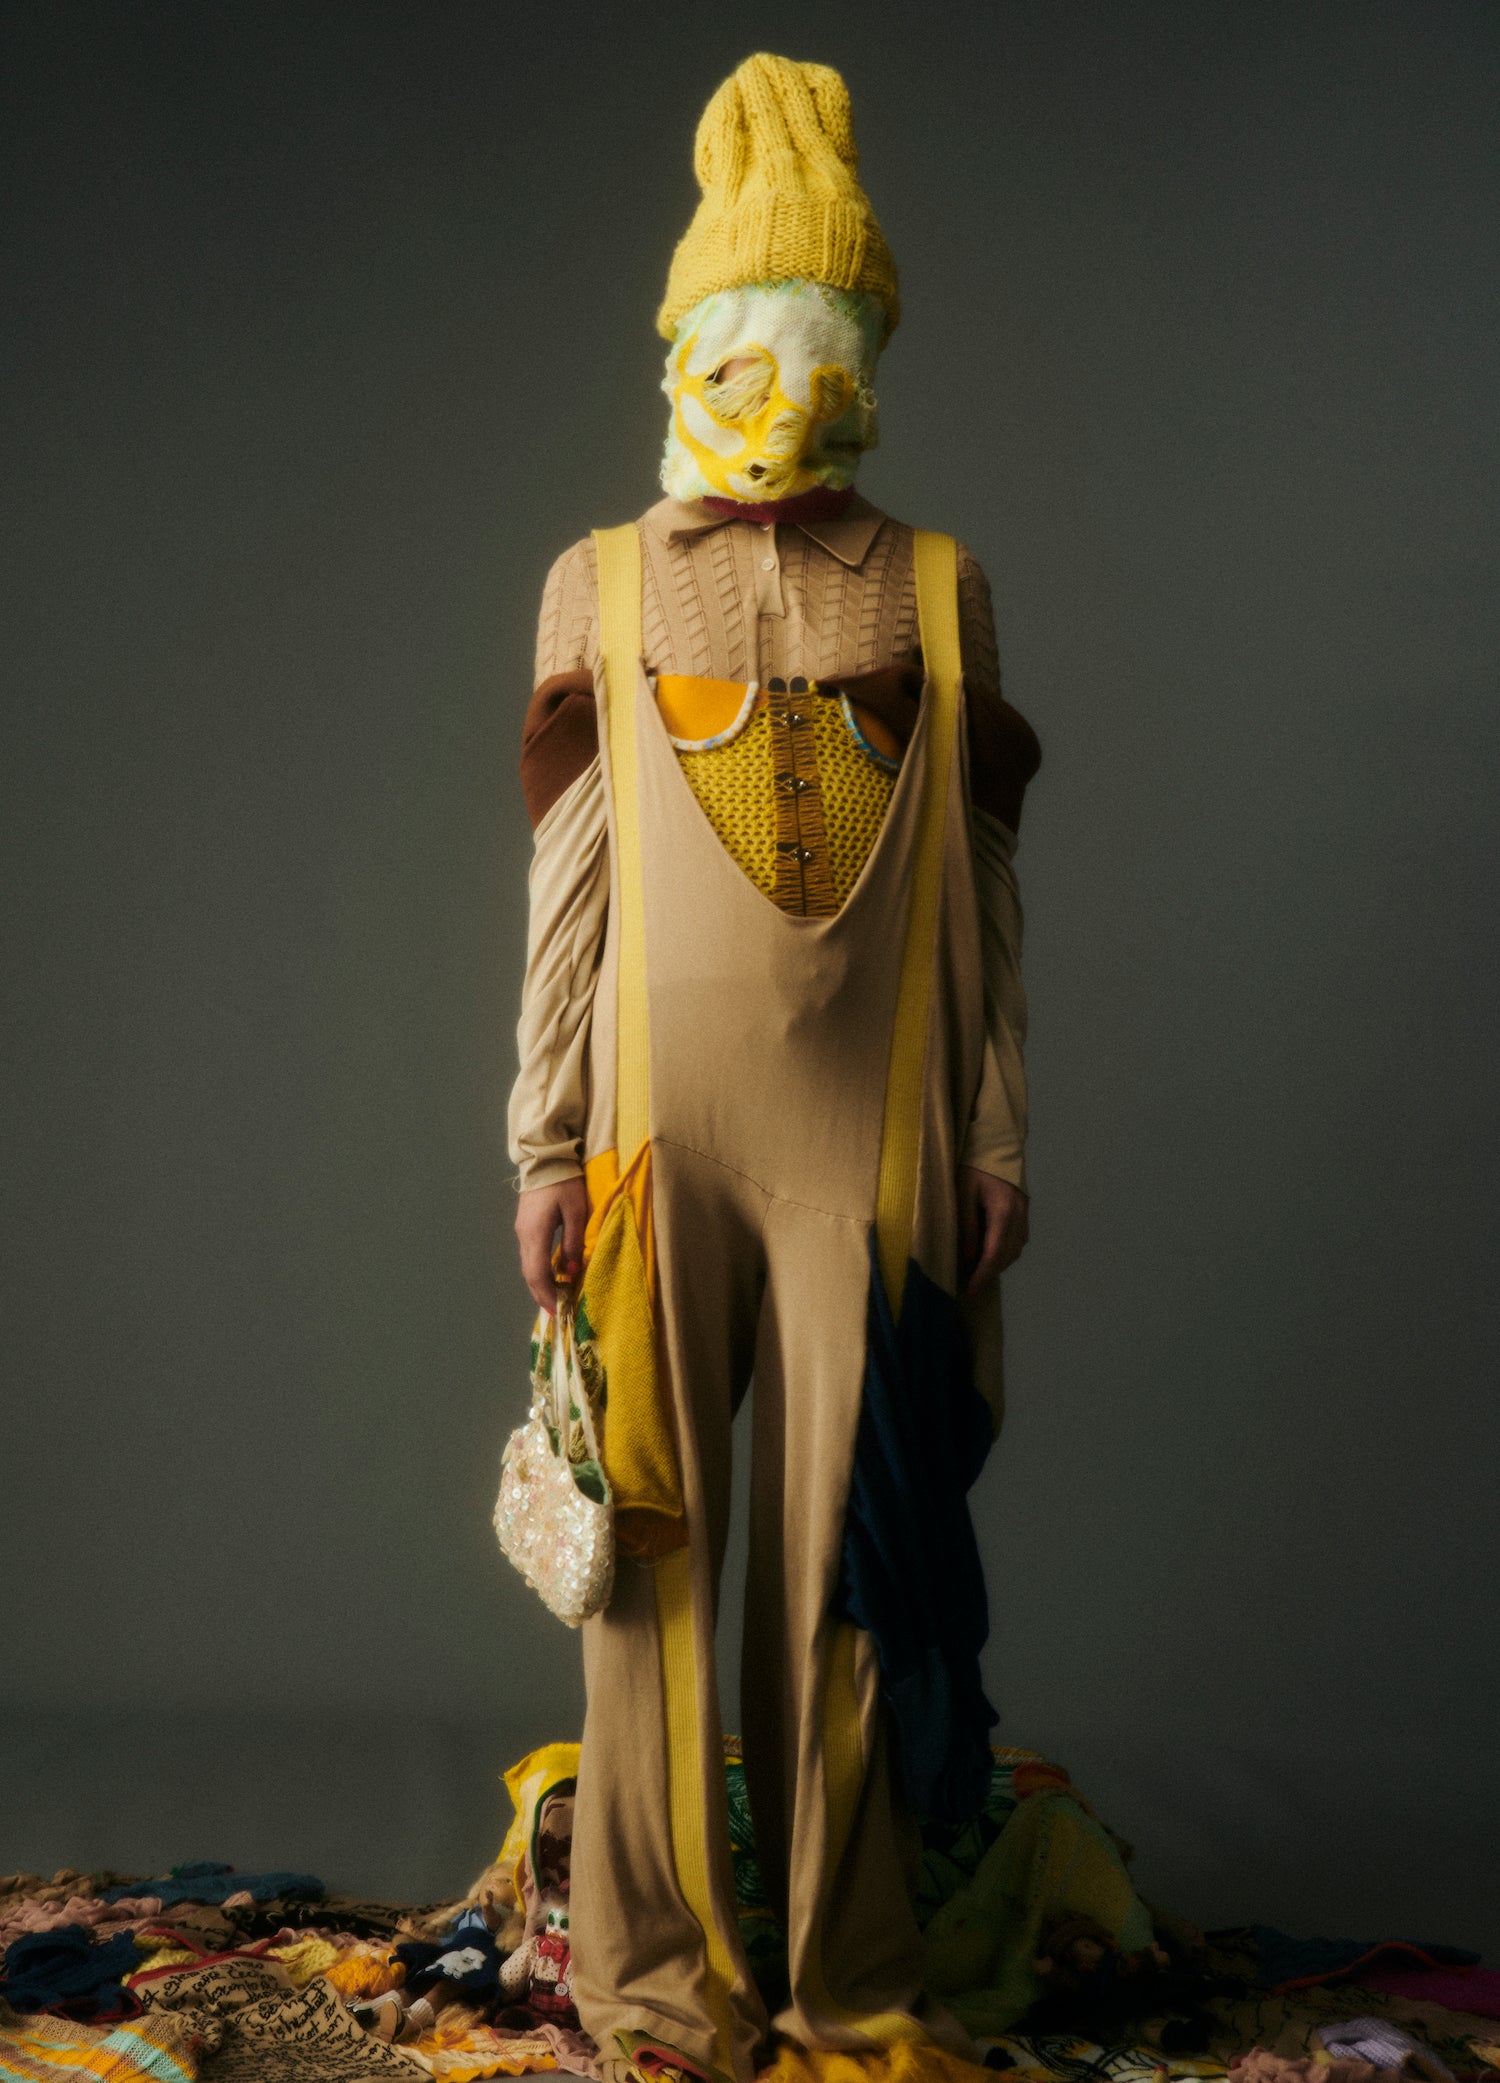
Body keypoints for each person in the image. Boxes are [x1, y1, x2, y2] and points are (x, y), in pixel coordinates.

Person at [506, 52, 1041, 2083]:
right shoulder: (599, 579)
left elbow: (988, 896)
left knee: (850, 1577)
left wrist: (997, 1130)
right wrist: (542, 1139)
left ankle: (846, 1981)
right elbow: (568, 894)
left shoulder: (940, 587)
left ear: (864, 356)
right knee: (646, 1561)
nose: (777, 390)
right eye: (743, 344)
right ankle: (652, 1982)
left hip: (873, 1144)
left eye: (816, 347)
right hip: (655, 1140)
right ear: (687, 342)